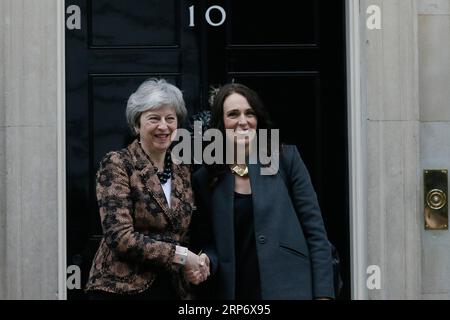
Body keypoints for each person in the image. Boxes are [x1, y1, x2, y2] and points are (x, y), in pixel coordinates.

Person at [190, 83, 335, 300]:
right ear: (220, 124)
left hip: (291, 289)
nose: (243, 121)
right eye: (233, 114)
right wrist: (205, 260)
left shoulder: (286, 158)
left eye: (249, 113)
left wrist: (324, 295)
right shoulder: (206, 177)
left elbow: (315, 232)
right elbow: (208, 242)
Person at [85, 78, 209, 300]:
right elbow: (120, 236)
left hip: (170, 290)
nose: (163, 126)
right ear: (136, 125)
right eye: (154, 118)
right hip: (120, 289)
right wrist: (181, 256)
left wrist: (196, 265)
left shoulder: (183, 171)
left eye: (170, 118)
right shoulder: (118, 163)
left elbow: (183, 235)